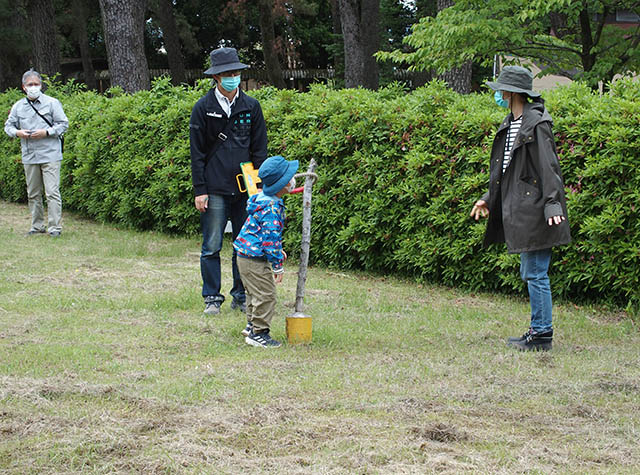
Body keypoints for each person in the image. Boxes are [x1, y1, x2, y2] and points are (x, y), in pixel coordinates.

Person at [470, 66, 571, 351]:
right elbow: (506, 172)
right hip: (524, 209)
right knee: (531, 271)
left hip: (537, 210)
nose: (498, 94)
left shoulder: (536, 123)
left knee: (536, 272)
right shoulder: (511, 123)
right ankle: (538, 330)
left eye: (501, 90)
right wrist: (489, 198)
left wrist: (552, 205)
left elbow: (549, 167)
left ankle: (542, 334)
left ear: (512, 93)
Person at [190, 47, 268, 316]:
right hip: (214, 189)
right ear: (216, 78)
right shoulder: (203, 108)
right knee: (211, 245)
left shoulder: (251, 106)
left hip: (245, 188)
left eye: (236, 73)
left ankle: (241, 295)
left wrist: (259, 188)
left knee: (243, 245)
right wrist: (200, 190)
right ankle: (212, 297)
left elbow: (260, 150)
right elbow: (197, 153)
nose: (232, 78)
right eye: (227, 74)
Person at [233, 155, 299, 348]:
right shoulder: (271, 208)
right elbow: (270, 239)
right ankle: (259, 333)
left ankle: (251, 325)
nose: (292, 180)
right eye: (289, 178)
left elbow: (266, 236)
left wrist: (278, 251)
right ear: (282, 186)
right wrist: (277, 265)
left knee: (254, 293)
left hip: (245, 256)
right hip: (253, 259)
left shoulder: (262, 199)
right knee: (266, 294)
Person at [4, 69, 68, 237]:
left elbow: (63, 124)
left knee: (52, 192)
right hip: (30, 155)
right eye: (30, 84)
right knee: (33, 193)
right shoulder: (18, 106)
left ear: (41, 85)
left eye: (36, 84)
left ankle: (55, 228)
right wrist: (18, 133)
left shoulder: (53, 103)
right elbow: (8, 127)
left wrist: (46, 132)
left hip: (50, 154)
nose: (33, 87)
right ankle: (37, 225)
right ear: (24, 87)